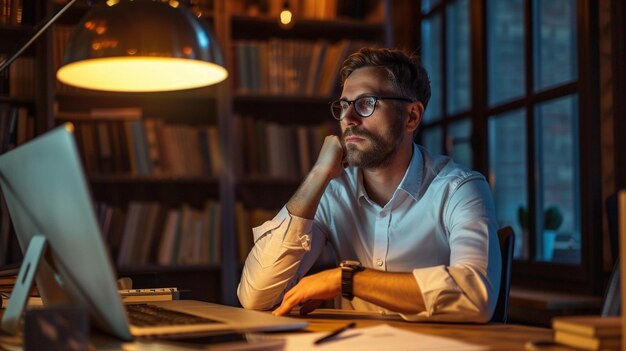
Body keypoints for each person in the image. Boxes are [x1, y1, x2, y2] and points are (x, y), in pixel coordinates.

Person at [237, 47, 501, 323]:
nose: (348, 120)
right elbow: (255, 295)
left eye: (366, 103)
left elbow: (476, 295)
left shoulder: (460, 188)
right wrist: (317, 174)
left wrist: (348, 280)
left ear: (411, 116)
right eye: (343, 106)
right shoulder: (334, 191)